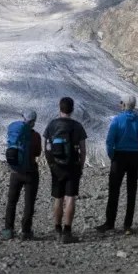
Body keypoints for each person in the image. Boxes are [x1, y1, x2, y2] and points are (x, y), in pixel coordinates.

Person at [96, 94, 138, 235]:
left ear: (123, 105)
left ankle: (110, 223)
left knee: (114, 190)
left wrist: (112, 155)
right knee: (131, 190)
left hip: (119, 157)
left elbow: (110, 141)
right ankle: (127, 225)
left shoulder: (117, 120)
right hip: (134, 156)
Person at [43, 97, 87, 244]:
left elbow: (46, 148)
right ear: (72, 109)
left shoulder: (52, 125)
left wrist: (51, 164)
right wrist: (80, 166)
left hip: (56, 167)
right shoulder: (78, 126)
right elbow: (83, 149)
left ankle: (57, 230)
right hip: (72, 166)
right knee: (70, 198)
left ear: (59, 108)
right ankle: (67, 232)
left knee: (58, 198)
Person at [3, 110, 42, 240]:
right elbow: (37, 153)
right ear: (33, 122)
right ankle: (25, 231)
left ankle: (8, 230)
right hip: (30, 172)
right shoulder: (35, 136)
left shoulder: (15, 132)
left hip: (15, 172)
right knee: (29, 203)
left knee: (12, 201)